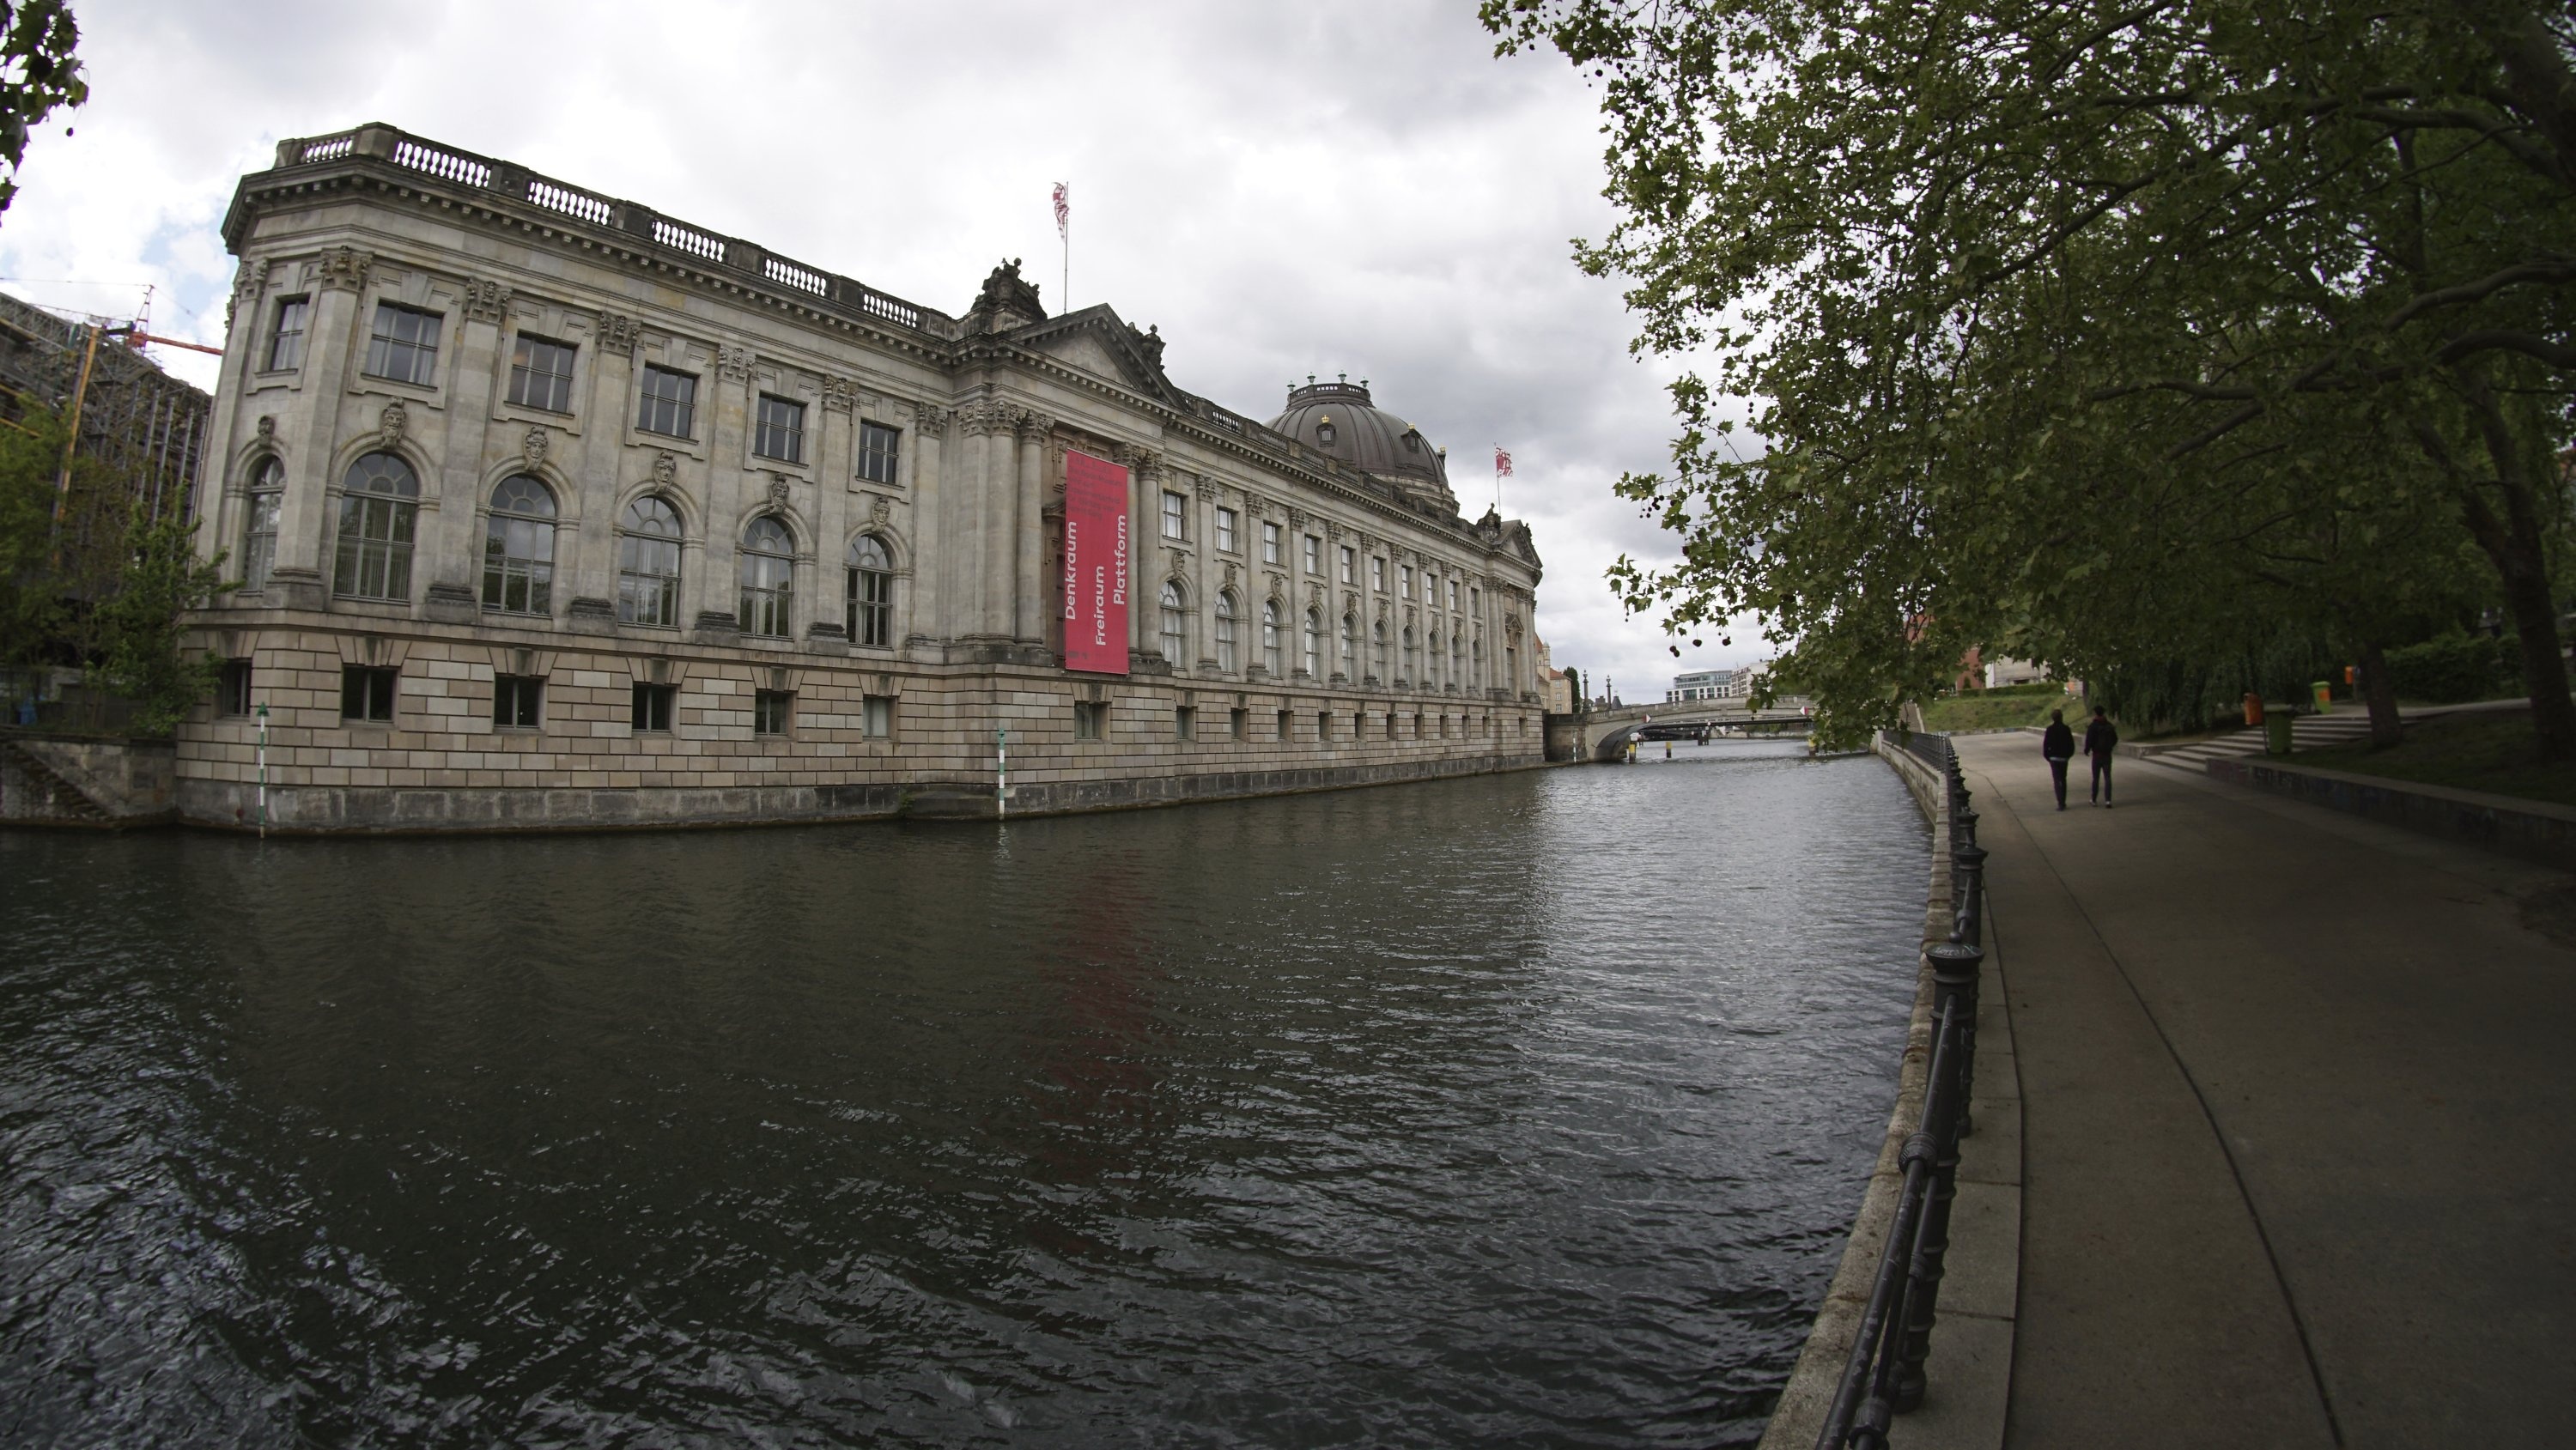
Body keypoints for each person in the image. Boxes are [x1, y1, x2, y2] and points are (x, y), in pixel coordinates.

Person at [2084, 705, 2118, 807]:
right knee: (2107, 777)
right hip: (2107, 754)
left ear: (2095, 713)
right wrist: (2109, 746)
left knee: (2096, 778)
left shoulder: (2093, 726)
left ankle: (2094, 799)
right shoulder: (2109, 726)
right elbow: (2115, 739)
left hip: (2097, 754)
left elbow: (2089, 740)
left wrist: (2087, 750)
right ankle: (2108, 800)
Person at [2042, 709, 2075, 810]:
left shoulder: (2050, 729)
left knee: (2057, 780)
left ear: (2053, 718)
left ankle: (2060, 802)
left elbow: (2046, 744)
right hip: (2064, 758)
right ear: (2062, 717)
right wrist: (2069, 755)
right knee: (2063, 779)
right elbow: (2071, 744)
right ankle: (2063, 800)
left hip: (2054, 758)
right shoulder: (2066, 729)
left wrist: (2048, 757)